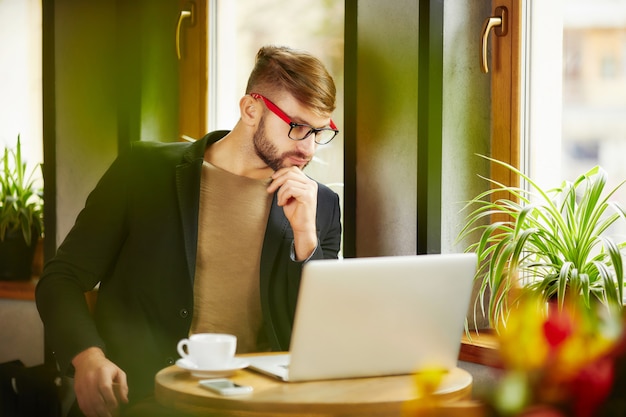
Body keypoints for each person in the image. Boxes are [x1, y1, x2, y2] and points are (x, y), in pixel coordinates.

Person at [36, 45, 342, 417]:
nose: (308, 147)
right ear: (251, 109)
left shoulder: (320, 206)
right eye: (297, 128)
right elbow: (61, 278)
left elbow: (319, 339)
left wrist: (305, 241)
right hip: (146, 400)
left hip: (261, 406)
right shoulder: (143, 171)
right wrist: (87, 358)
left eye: (320, 132)